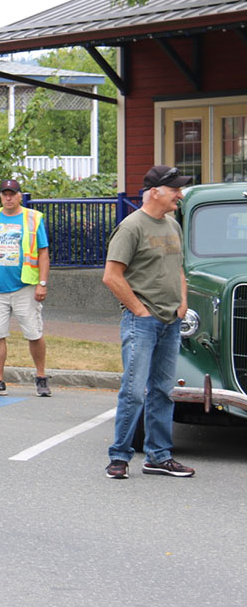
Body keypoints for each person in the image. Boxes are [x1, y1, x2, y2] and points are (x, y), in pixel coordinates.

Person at [102, 165, 195, 479]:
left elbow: (178, 268)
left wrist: (183, 303)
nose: (180, 195)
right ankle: (119, 457)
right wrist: (140, 311)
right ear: (156, 191)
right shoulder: (132, 227)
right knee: (134, 392)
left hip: (170, 322)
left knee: (163, 391)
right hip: (141, 323)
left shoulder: (172, 225)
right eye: (175, 190)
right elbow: (112, 276)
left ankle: (158, 456)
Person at [0, 179, 51, 397]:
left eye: (12, 194)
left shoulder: (32, 219)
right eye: (5, 194)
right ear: (0, 197)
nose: (8, 198)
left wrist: (42, 283)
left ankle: (41, 376)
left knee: (34, 333)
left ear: (19, 196)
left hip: (25, 286)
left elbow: (43, 252)